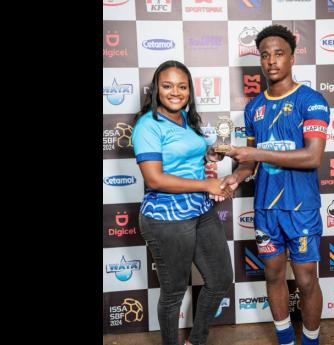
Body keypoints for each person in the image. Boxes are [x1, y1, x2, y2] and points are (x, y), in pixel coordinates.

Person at [221, 25, 330, 345]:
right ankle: (285, 340)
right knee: (273, 275)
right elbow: (249, 162)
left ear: (293, 58)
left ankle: (310, 341)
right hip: (266, 209)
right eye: (265, 55)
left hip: (302, 208)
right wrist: (235, 176)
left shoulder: (311, 101)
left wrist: (253, 152)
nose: (271, 61)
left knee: (307, 280)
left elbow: (312, 156)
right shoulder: (254, 108)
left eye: (279, 53)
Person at [132, 60, 233, 345]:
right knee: (174, 292)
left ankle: (196, 340)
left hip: (200, 211)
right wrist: (206, 184)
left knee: (221, 278)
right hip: (166, 219)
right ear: (155, 89)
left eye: (182, 86)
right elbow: (155, 179)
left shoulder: (185, 119)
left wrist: (209, 155)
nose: (175, 92)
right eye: (167, 86)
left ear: (189, 90)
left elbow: (184, 159)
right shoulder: (147, 126)